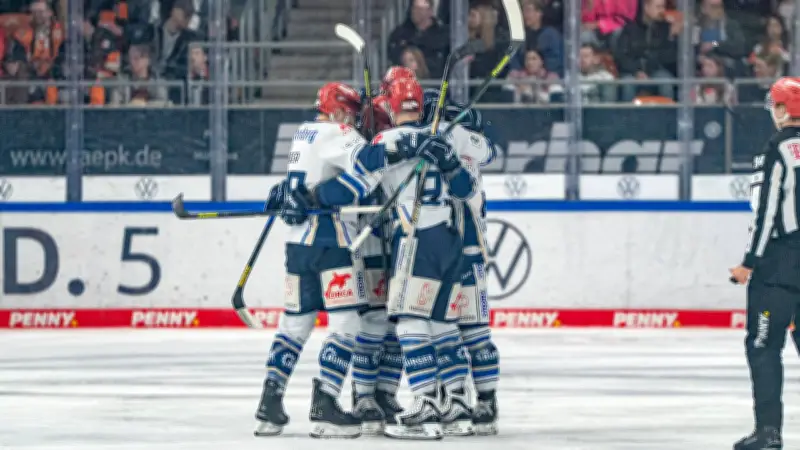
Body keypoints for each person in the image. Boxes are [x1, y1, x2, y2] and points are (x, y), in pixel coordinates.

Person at [307, 77, 478, 440]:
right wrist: (448, 163)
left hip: (414, 236)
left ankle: (425, 405)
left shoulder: (385, 139)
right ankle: (458, 405)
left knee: (407, 322)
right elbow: (466, 189)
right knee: (442, 324)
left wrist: (312, 197)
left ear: (391, 104)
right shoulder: (441, 137)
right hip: (450, 238)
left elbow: (355, 184)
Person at [253, 82, 370, 439]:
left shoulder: (303, 132)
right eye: (351, 114)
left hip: (297, 245)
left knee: (294, 324)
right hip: (332, 241)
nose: (353, 121)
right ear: (338, 111)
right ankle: (326, 404)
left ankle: (269, 403)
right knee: (346, 323)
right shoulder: (340, 133)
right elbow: (369, 168)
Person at [421, 88, 500, 437]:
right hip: (441, 246)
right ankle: (454, 396)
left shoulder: (459, 136)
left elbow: (490, 150)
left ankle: (485, 399)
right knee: (441, 331)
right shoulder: (432, 138)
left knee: (472, 333)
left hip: (465, 248)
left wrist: (462, 121)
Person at [729, 76, 800, 450]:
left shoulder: (775, 149)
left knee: (764, 347)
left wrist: (748, 262)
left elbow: (766, 213)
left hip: (779, 268)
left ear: (783, 109)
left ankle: (768, 433)